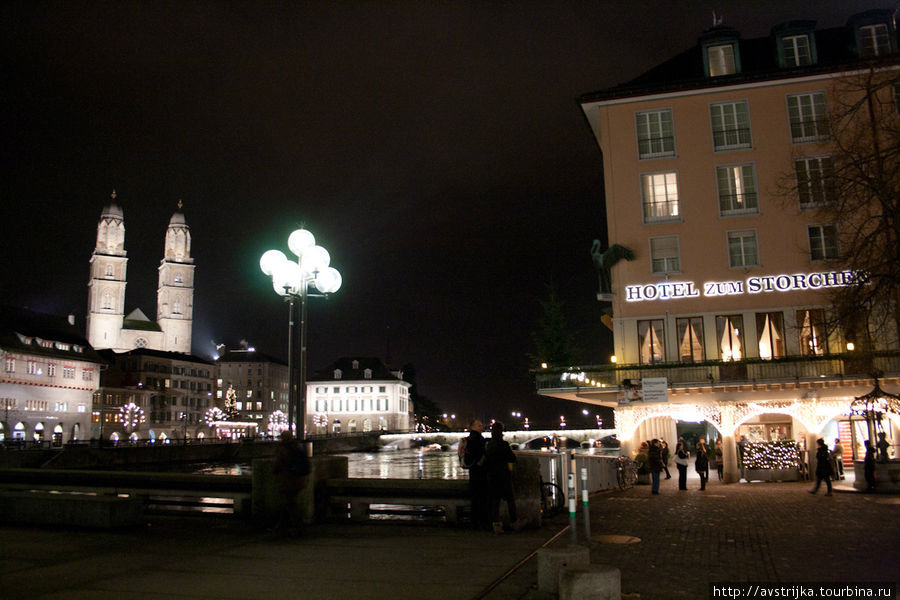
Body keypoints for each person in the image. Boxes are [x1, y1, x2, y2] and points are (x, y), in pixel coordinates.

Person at [272, 431, 310, 535]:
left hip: (288, 479)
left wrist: (276, 470)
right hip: (298, 479)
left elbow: (278, 464)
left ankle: (295, 526)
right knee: (290, 502)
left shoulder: (284, 449)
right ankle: (283, 526)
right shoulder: (298, 447)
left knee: (289, 502)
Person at [485, 421, 519, 533]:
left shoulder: (488, 445)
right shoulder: (504, 444)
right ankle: (514, 522)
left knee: (495, 501)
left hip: (492, 476)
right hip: (503, 476)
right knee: (510, 500)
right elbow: (512, 458)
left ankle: (496, 524)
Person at [461, 419, 490, 529]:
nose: (481, 427)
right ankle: (481, 522)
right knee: (481, 498)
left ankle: (474, 521)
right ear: (472, 427)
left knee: (475, 498)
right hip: (481, 472)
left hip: (472, 471)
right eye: (479, 425)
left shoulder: (469, 439)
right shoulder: (479, 440)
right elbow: (483, 455)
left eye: (482, 425)